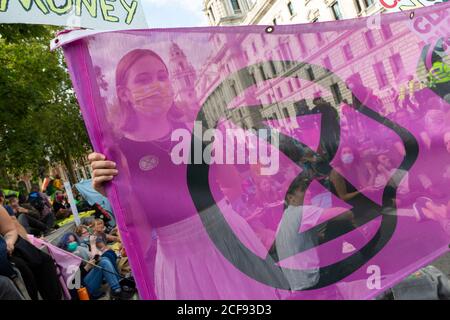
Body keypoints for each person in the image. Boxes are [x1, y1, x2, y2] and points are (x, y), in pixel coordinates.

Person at [88, 48, 281, 299]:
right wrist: (112, 195)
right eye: (144, 79)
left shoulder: (199, 131)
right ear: (124, 93)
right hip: (181, 264)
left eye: (162, 76)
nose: (157, 85)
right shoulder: (120, 154)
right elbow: (141, 236)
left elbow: (233, 186)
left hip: (233, 244)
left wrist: (217, 219)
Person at [0, 205, 62, 300]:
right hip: (9, 267)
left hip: (11, 250)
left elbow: (10, 230)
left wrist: (9, 242)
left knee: (45, 262)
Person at [59, 232, 133, 300]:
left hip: (87, 283)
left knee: (104, 259)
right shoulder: (66, 260)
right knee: (104, 260)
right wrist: (86, 268)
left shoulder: (77, 252)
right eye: (69, 242)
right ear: (64, 243)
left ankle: (117, 289)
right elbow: (74, 283)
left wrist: (90, 265)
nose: (73, 243)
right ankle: (118, 289)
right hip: (82, 290)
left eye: (74, 241)